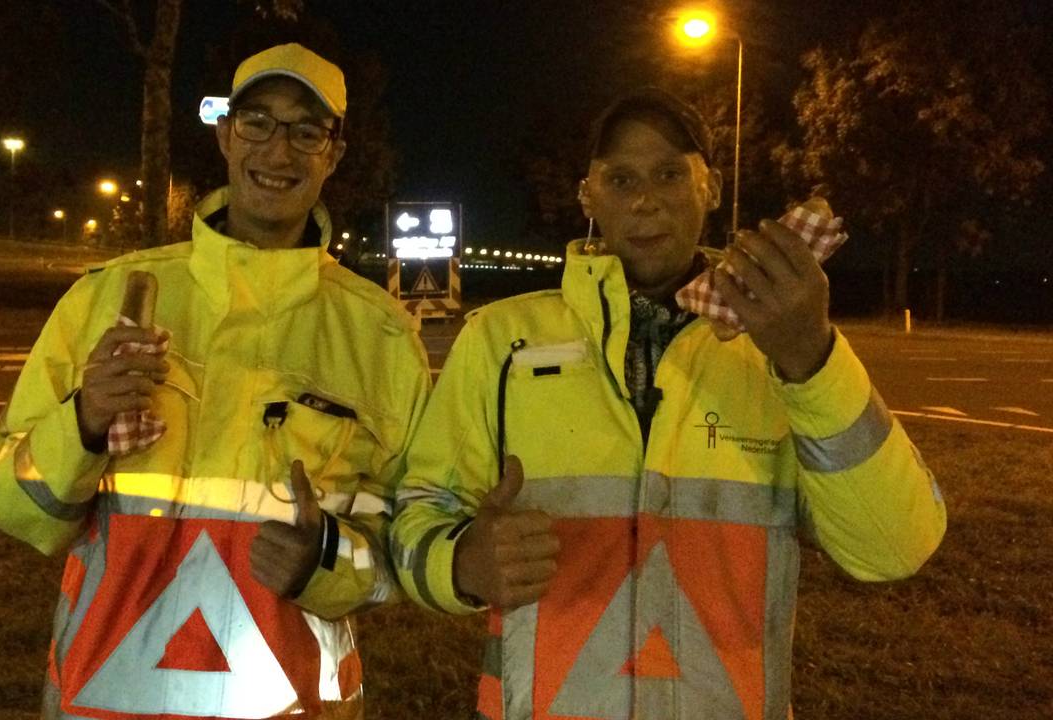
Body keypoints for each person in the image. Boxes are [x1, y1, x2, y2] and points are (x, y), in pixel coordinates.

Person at [391, 87, 946, 719]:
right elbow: (416, 513)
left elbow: (894, 547)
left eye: (669, 174)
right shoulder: (501, 340)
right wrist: (461, 562)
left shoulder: (779, 344)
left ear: (711, 189)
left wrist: (811, 358)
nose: (645, 200)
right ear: (588, 197)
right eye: (621, 179)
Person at [0, 43, 429, 720]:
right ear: (224, 134)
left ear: (333, 154)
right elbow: (13, 507)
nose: (278, 150)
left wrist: (326, 560)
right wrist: (84, 421)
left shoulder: (382, 337)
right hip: (103, 706)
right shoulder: (103, 299)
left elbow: (410, 538)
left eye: (306, 131)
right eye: (257, 122)